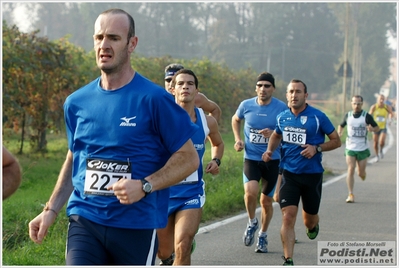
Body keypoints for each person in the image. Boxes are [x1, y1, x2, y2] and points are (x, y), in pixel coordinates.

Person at [28, 8, 200, 266]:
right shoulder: (76, 103)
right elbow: (75, 157)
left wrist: (145, 185)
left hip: (136, 225)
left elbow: (188, 159)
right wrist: (51, 209)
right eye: (99, 38)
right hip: (85, 220)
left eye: (113, 38)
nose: (104, 45)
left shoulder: (155, 100)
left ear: (132, 44)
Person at [262, 79, 341, 266]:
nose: (294, 95)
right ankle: (288, 259)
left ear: (305, 95)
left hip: (312, 175)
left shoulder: (318, 117)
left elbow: (336, 140)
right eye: (291, 91)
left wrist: (317, 148)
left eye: (298, 92)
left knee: (309, 221)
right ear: (287, 95)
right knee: (288, 216)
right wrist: (270, 151)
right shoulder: (282, 117)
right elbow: (276, 134)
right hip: (289, 174)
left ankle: (313, 224)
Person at [157, 69, 224, 265]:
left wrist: (216, 160)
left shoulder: (207, 122)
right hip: (163, 192)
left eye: (190, 83)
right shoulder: (161, 120)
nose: (185, 86)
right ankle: (169, 258)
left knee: (183, 245)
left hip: (191, 192)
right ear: (173, 89)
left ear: (197, 90)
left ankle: (183, 246)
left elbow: (218, 144)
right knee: (164, 252)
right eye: (180, 84)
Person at [231, 72, 287, 253]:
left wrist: (274, 134)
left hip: (272, 160)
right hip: (252, 158)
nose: (263, 89)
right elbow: (235, 119)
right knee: (250, 194)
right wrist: (238, 139)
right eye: (260, 85)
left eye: (267, 86)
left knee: (266, 202)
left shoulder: (281, 108)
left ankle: (263, 235)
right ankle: (252, 221)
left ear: (273, 89)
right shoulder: (246, 105)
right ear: (256, 88)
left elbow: (289, 131)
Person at [338, 95, 379, 203]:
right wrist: (340, 132)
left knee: (360, 173)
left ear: (362, 104)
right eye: (354, 103)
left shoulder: (367, 116)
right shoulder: (348, 115)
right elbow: (341, 125)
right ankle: (350, 194)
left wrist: (372, 129)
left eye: (359, 103)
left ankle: (362, 173)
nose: (356, 105)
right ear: (351, 103)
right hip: (350, 147)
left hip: (363, 148)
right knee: (351, 169)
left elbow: (377, 127)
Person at [368, 94, 393, 161]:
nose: (381, 101)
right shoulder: (374, 107)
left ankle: (381, 150)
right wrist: (369, 123)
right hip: (375, 127)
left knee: (382, 141)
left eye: (383, 99)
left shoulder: (386, 107)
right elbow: (369, 115)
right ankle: (377, 155)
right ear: (377, 100)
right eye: (380, 99)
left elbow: (391, 113)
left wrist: (390, 120)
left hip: (383, 127)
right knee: (375, 143)